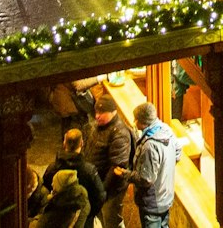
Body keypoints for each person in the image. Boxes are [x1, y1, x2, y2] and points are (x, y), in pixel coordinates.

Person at [86, 92, 135, 228]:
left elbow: (116, 167)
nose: (97, 116)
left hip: (111, 189)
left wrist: (102, 190)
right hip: (98, 184)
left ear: (113, 112)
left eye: (102, 113)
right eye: (96, 112)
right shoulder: (98, 126)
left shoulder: (120, 134)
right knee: (102, 217)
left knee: (111, 219)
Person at [40, 125, 107, 224]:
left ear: (64, 143)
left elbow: (44, 191)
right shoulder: (89, 170)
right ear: (82, 143)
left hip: (57, 219)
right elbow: (100, 196)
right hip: (82, 219)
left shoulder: (52, 168)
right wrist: (88, 214)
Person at [129, 102, 179, 228]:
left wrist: (127, 175)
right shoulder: (167, 130)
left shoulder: (149, 146)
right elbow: (178, 152)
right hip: (166, 195)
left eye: (136, 119)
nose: (134, 122)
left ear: (143, 121)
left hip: (152, 203)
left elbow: (146, 179)